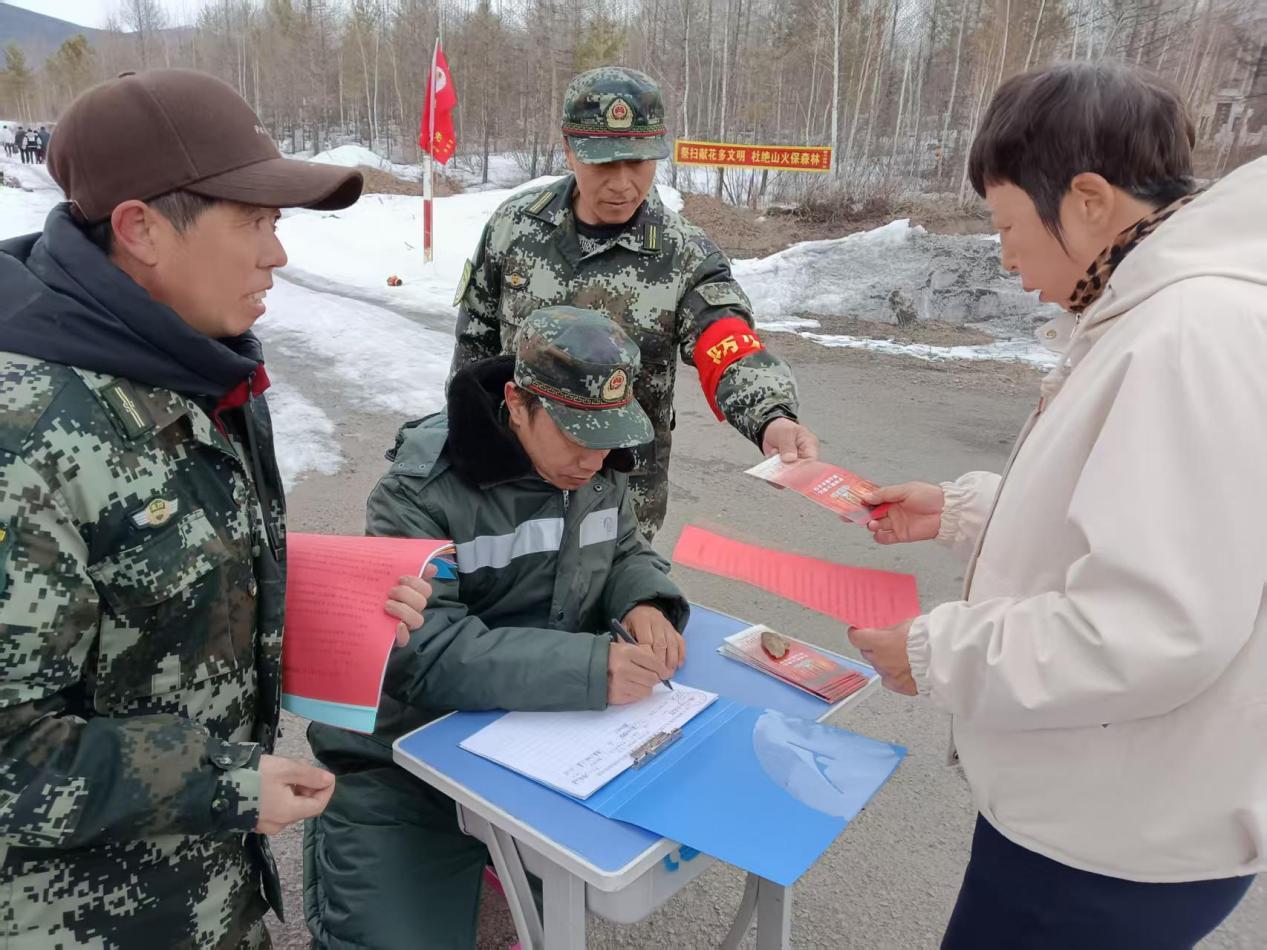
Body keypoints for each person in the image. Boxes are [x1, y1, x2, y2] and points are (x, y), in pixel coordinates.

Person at [0, 68, 431, 947]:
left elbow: (146, 595)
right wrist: (221, 785)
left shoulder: (201, 369)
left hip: (214, 898)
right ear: (140, 229)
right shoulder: (24, 436)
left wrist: (329, 608)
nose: (277, 255)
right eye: (255, 222)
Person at [848, 62, 1264, 949]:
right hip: (1116, 810)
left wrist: (934, 652)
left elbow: (1150, 626)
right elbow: (1135, 523)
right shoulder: (1164, 313)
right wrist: (963, 512)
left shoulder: (1188, 332)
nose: (1005, 258)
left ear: (1087, 201)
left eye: (1006, 224)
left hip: (1106, 845)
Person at [304, 307, 691, 950]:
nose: (595, 459)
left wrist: (644, 602)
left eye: (608, 437)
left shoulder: (596, 465)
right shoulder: (420, 490)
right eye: (575, 436)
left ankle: (498, 857)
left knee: (601, 879)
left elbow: (625, 548)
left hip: (541, 736)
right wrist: (591, 669)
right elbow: (424, 652)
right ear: (516, 403)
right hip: (406, 757)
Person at [450, 66, 820, 539]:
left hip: (620, 502)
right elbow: (473, 355)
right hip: (511, 488)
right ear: (569, 149)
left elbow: (726, 341)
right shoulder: (515, 228)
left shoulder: (684, 253)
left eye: (639, 162)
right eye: (604, 163)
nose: (623, 184)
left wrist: (772, 418)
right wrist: (459, 455)